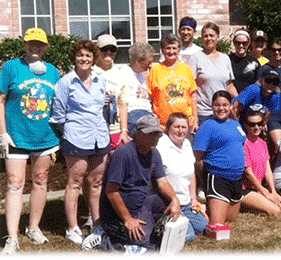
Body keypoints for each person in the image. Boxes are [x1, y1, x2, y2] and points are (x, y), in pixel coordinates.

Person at [0, 28, 60, 254]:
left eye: (40, 44)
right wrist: (2, 132)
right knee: (14, 183)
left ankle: (33, 227)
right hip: (16, 137)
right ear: (24, 45)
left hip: (45, 137)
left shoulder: (52, 72)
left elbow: (61, 102)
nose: (36, 47)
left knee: (41, 180)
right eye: (31, 43)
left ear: (45, 47)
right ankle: (12, 237)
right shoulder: (11, 67)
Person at [52, 39, 110, 244]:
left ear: (93, 58)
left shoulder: (100, 80)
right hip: (76, 138)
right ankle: (72, 228)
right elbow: (58, 114)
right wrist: (69, 131)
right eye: (80, 55)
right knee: (75, 183)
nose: (84, 59)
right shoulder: (66, 82)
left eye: (88, 55)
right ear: (74, 58)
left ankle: (97, 224)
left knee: (95, 183)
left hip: (99, 137)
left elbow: (102, 105)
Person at [99, 115, 181, 252]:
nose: (154, 138)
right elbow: (111, 192)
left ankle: (148, 225)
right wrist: (128, 219)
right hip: (118, 214)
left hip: (142, 203)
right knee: (145, 241)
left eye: (157, 134)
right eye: (150, 134)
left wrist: (175, 199)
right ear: (137, 135)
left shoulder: (154, 154)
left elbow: (162, 182)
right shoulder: (123, 154)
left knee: (171, 209)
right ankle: (105, 239)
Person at [193, 91, 247, 224]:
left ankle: (208, 209)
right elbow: (198, 158)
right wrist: (204, 182)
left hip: (237, 178)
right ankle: (198, 214)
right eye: (217, 105)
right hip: (218, 177)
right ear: (212, 106)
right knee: (217, 225)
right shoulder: (208, 126)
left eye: (225, 105)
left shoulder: (236, 124)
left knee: (231, 220)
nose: (221, 108)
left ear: (230, 106)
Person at [155, 112, 208, 242]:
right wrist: (173, 201)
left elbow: (191, 175)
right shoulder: (162, 144)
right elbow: (160, 180)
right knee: (188, 235)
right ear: (168, 128)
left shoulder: (187, 144)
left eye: (184, 127)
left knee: (204, 226)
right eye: (176, 127)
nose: (180, 131)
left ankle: (184, 221)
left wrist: (194, 200)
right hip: (168, 202)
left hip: (186, 202)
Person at [188, 22, 237, 127]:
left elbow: (229, 85)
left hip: (223, 112)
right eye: (205, 36)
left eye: (212, 35)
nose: (208, 38)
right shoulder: (195, 58)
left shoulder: (225, 58)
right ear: (201, 39)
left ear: (218, 38)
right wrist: (195, 118)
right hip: (204, 113)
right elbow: (191, 89)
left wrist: (238, 100)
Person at [240, 111, 281, 215]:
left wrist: (273, 192)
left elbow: (268, 170)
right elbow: (248, 173)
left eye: (259, 124)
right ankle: (243, 206)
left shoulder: (262, 143)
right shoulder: (244, 144)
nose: (256, 127)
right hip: (246, 189)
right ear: (246, 126)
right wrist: (264, 192)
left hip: (259, 188)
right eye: (252, 124)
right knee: (276, 211)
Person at [147, 33, 198, 133]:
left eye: (174, 48)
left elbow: (193, 96)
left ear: (179, 50)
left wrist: (195, 120)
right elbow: (150, 97)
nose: (171, 51)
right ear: (162, 50)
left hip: (186, 124)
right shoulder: (155, 70)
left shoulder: (186, 69)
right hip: (163, 125)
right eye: (168, 48)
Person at [94, 34, 132, 151]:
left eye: (112, 50)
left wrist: (124, 131)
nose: (109, 52)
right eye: (104, 49)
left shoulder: (120, 74)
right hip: (94, 130)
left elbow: (123, 104)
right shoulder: (89, 72)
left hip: (115, 130)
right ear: (97, 50)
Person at [121, 42, 155, 130]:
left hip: (146, 113)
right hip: (134, 114)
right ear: (138, 60)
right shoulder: (125, 73)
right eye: (149, 62)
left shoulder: (140, 74)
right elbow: (122, 102)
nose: (150, 65)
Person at [230, 29, 261, 93]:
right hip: (232, 99)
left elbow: (258, 83)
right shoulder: (228, 60)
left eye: (244, 43)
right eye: (238, 43)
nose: (241, 46)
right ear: (233, 42)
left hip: (250, 99)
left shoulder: (254, 62)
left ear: (249, 43)